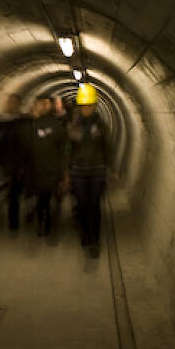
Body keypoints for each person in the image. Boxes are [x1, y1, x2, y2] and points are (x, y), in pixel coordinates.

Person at [67, 83, 110, 252]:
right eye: (83, 106)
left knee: (94, 205)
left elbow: (107, 148)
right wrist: (66, 171)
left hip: (97, 171)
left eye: (89, 106)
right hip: (78, 172)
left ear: (95, 106)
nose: (86, 109)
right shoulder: (73, 126)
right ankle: (85, 234)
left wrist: (109, 168)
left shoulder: (101, 126)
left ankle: (95, 237)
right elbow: (68, 149)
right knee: (83, 204)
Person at [21, 94, 68, 236]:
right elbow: (24, 147)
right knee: (41, 198)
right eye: (40, 104)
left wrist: (64, 170)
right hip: (35, 170)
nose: (42, 106)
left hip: (51, 170)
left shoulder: (56, 125)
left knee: (46, 198)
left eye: (45, 104)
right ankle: (43, 220)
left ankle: (45, 222)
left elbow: (64, 147)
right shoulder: (30, 125)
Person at [0, 93, 26, 230]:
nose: (10, 105)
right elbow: (1, 145)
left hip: (20, 164)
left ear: (18, 104)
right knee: (13, 196)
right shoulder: (5, 121)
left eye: (12, 102)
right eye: (9, 102)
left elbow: (25, 144)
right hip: (9, 165)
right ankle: (13, 222)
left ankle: (23, 216)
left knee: (19, 193)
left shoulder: (23, 121)